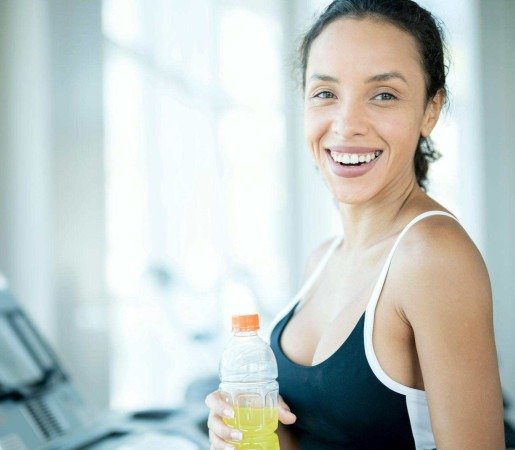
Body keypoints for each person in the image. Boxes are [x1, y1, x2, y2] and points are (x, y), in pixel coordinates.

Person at [205, 0, 506, 448]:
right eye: (325, 93)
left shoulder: (432, 255)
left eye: (383, 95)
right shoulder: (323, 259)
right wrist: (245, 429)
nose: (347, 125)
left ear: (430, 110)